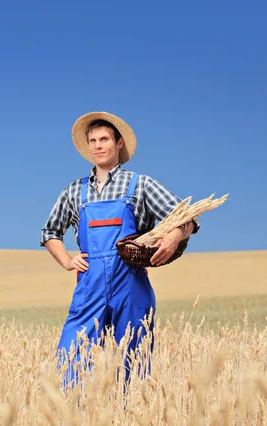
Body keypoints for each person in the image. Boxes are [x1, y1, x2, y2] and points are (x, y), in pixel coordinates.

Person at [41, 112, 198, 385]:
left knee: (133, 364)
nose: (98, 145)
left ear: (119, 143)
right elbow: (50, 232)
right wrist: (66, 260)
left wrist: (174, 237)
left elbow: (188, 217)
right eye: (93, 141)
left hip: (131, 285)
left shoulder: (141, 184)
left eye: (104, 139)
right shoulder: (74, 192)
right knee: (71, 358)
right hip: (89, 286)